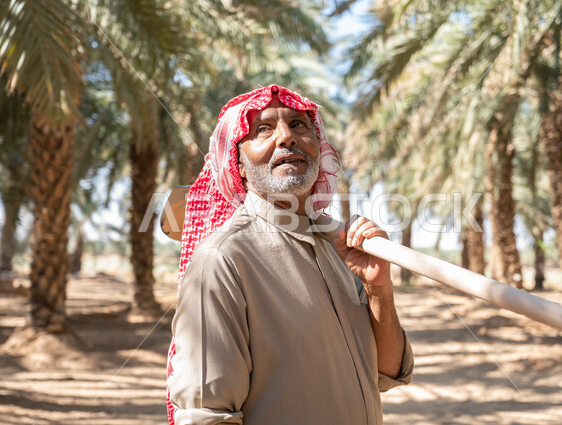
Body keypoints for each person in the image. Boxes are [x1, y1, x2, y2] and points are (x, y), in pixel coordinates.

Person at [166, 84, 414, 425]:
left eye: (299, 125)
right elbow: (207, 416)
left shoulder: (339, 248)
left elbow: (387, 372)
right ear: (237, 163)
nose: (287, 137)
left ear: (319, 148)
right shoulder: (222, 260)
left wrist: (379, 290)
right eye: (263, 129)